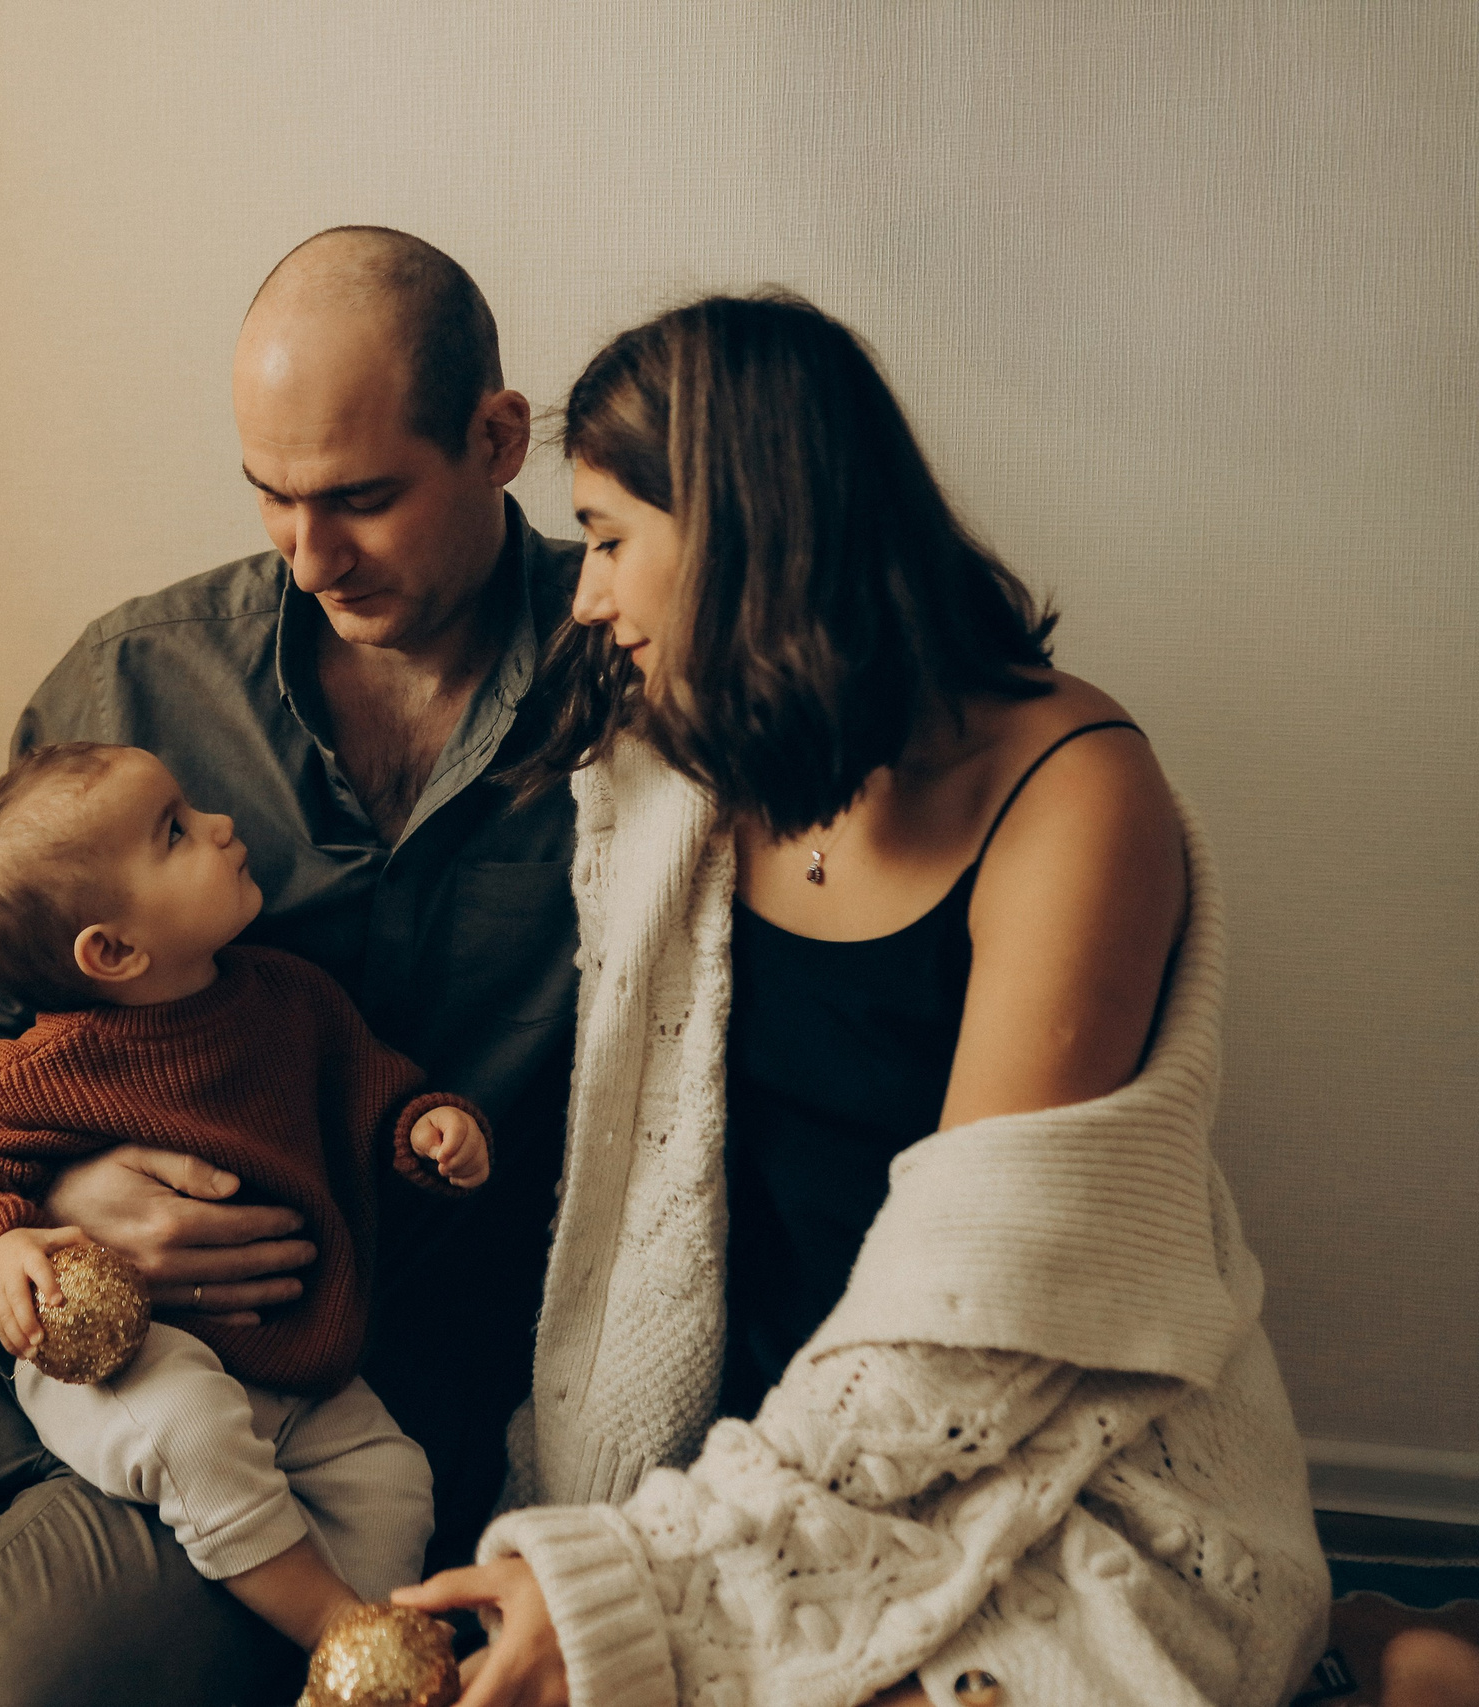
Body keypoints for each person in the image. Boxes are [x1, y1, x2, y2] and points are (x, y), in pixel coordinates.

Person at [0, 226, 584, 1707]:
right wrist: (66, 1203)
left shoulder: (634, 679)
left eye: (363, 499)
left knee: (19, 1681)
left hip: (328, 1366)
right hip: (15, 1254)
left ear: (497, 439)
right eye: (272, 498)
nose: (311, 556)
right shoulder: (144, 674)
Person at [391, 292, 1329, 1706]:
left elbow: (979, 1334)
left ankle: (1388, 1650)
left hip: (1042, 1453)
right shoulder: (687, 771)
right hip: (754, 1440)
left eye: (605, 540)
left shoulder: (1068, 793)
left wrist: (631, 1579)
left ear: (743, 526)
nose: (583, 596)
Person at [0, 740, 492, 1652]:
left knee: (393, 1474)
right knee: (189, 1423)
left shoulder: (291, 999)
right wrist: (0, 1251)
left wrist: (424, 1130)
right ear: (111, 949)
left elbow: (370, 1089)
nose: (222, 825)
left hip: (293, 1359)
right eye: (176, 831)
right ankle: (329, 1623)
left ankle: (366, 1659)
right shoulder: (52, 1069)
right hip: (130, 1358)